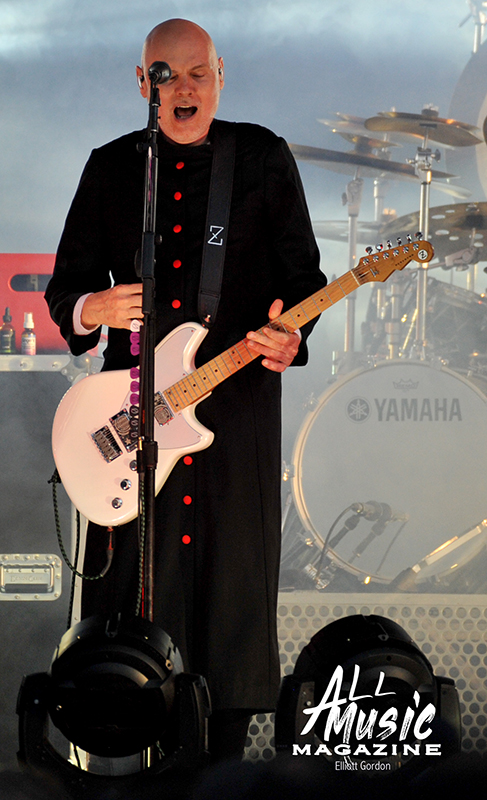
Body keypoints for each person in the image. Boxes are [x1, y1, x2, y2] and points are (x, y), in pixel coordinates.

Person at [45, 18, 326, 762]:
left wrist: (291, 335)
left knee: (231, 603)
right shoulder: (111, 168)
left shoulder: (260, 157)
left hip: (233, 418)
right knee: (132, 617)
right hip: (131, 420)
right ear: (144, 84)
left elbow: (304, 280)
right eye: (167, 75)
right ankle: (123, 751)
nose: (185, 88)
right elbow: (66, 291)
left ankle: (223, 769)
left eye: (199, 73)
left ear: (220, 75)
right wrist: (92, 308)